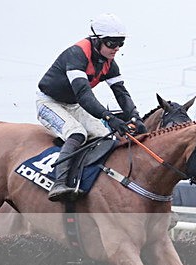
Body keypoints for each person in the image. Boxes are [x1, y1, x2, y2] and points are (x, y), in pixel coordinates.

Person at [36, 13, 147, 202]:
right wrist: (110, 117)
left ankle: (85, 179)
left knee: (102, 135)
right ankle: (59, 182)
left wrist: (135, 117)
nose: (117, 48)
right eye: (112, 43)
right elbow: (84, 95)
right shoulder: (77, 55)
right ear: (96, 40)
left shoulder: (110, 63)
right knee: (77, 133)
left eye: (121, 43)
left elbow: (121, 93)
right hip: (49, 103)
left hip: (73, 105)